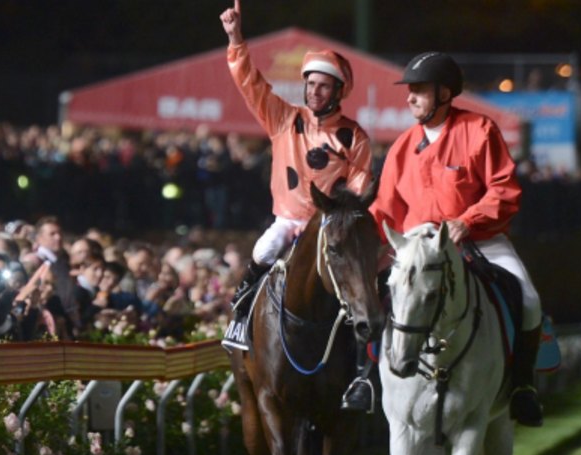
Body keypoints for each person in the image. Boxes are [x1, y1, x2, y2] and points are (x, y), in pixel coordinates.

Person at [218, 0, 377, 412]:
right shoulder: (284, 119)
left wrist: (341, 218)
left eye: (323, 86)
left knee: (369, 281)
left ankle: (366, 373)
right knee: (263, 250)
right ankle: (240, 319)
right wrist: (236, 40)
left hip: (330, 226)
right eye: (310, 84)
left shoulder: (354, 136)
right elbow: (251, 84)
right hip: (289, 221)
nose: (314, 91)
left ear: (338, 91)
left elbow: (358, 188)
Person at [370, 52, 544, 427]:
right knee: (369, 297)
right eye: (410, 90)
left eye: (419, 90)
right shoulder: (401, 146)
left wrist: (467, 220)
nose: (410, 97)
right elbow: (384, 207)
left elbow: (504, 189)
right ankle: (363, 379)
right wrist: (366, 245)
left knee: (529, 299)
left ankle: (522, 386)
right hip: (418, 249)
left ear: (445, 93)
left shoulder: (480, 130)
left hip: (478, 238)